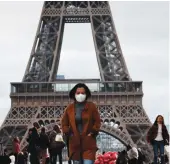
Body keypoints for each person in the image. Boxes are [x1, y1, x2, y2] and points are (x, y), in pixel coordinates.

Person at [61, 83, 101, 164]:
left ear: (86, 94)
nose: (80, 95)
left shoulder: (91, 106)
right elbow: (64, 123)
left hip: (88, 143)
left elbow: (97, 121)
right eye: (78, 93)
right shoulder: (69, 108)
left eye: (82, 93)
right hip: (75, 143)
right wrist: (69, 133)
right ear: (74, 94)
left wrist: (93, 132)